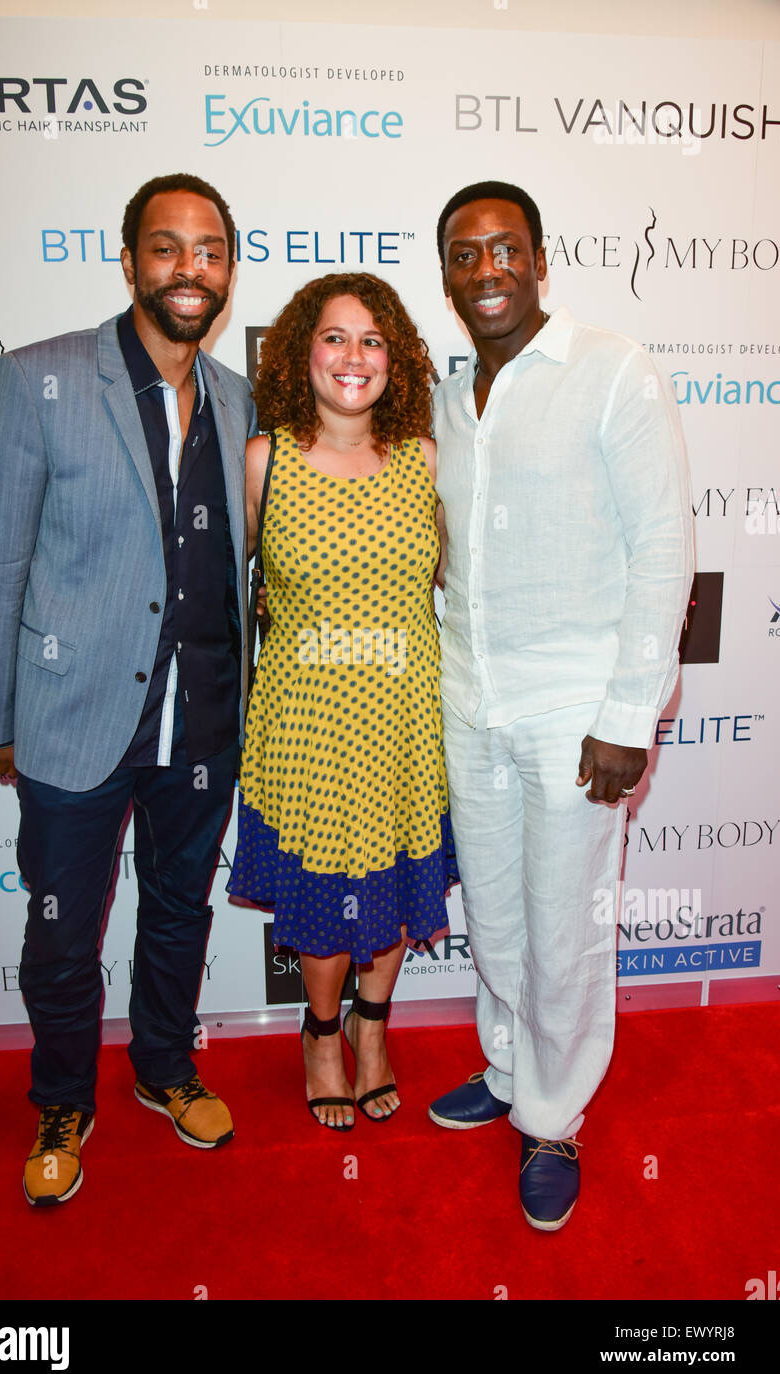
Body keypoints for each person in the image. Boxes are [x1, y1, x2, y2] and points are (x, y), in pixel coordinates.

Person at [0, 173, 256, 1206]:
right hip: (74, 715)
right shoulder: (37, 379)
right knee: (61, 926)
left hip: (204, 716)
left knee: (180, 909)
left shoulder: (236, 395)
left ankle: (166, 1067)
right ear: (129, 260)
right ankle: (61, 1098)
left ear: (228, 267)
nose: (191, 267)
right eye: (168, 247)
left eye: (210, 248)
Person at [428, 181, 693, 1230]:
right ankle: (504, 1065)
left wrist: (630, 712)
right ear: (447, 274)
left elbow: (664, 546)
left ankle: (552, 1114)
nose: (486, 268)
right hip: (471, 696)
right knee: (492, 905)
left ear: (540, 259)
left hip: (578, 708)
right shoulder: (453, 398)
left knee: (563, 921)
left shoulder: (612, 371)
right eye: (464, 253)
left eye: (505, 248)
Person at [228, 272, 456, 1129]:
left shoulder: (426, 459)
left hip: (404, 718)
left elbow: (460, 583)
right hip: (306, 722)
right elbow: (226, 588)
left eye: (371, 340)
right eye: (334, 337)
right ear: (301, 352)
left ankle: (372, 1028)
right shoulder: (266, 458)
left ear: (393, 359)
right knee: (324, 896)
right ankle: (320, 1032)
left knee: (391, 889)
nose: (352, 357)